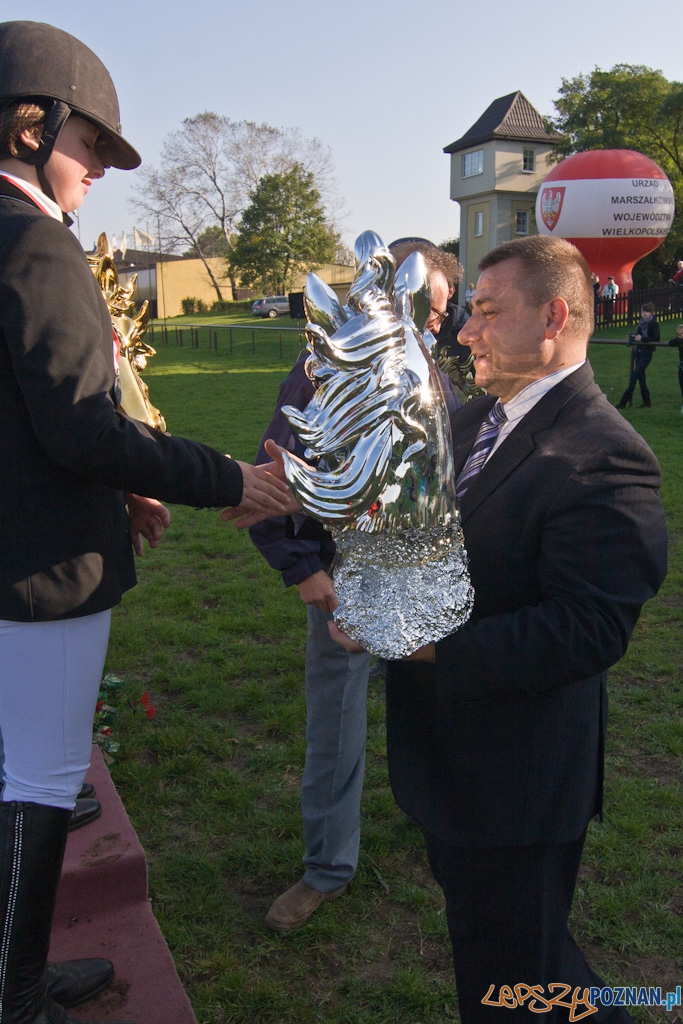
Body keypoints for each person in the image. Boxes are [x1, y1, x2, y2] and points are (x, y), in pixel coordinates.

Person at [0, 21, 292, 1024]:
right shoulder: (33, 240)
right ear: (29, 126)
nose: (96, 171)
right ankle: (17, 990)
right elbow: (82, 427)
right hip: (40, 566)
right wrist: (226, 479)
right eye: (89, 145)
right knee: (37, 783)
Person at [331, 236, 667, 1023]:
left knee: (508, 979)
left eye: (485, 312)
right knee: (519, 953)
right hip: (453, 760)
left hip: (516, 781)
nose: (462, 331)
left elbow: (584, 631)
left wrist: (419, 639)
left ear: (553, 317)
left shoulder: (606, 460)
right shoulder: (477, 415)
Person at [249, 241, 461, 931]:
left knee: (438, 707)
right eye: (436, 306)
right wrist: (302, 567)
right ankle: (326, 868)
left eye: (445, 310)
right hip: (343, 580)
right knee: (336, 729)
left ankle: (441, 825)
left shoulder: (431, 369)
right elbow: (276, 472)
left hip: (424, 573)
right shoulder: (328, 364)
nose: (440, 320)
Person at [616, 302, 660, 408]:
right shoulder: (641, 323)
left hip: (647, 353)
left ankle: (623, 402)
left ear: (651, 313)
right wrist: (633, 336)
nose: (645, 314)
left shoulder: (654, 324)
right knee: (641, 378)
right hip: (639, 352)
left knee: (635, 376)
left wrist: (642, 339)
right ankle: (647, 403)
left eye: (647, 312)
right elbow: (639, 335)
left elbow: (656, 338)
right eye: (643, 311)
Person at [667, 323, 683, 412]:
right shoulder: (678, 341)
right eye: (679, 335)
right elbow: (670, 343)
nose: (681, 336)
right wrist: (678, 340)